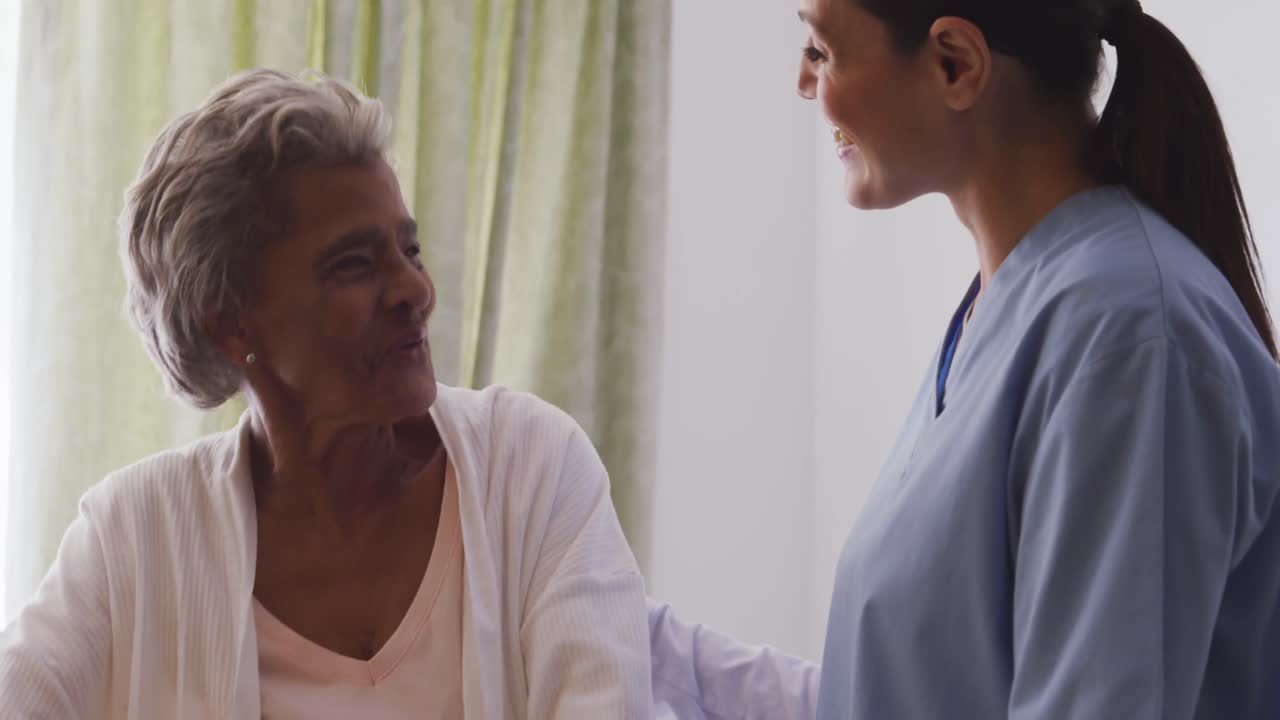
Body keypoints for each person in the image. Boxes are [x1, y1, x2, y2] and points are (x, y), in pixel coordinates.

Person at [650, 0, 1280, 718]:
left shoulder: (1128, 338)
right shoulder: (1017, 310)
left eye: (821, 50)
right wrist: (639, 642)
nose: (802, 81)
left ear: (956, 62)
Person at [0, 69, 652, 719]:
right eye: (355, 264)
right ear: (231, 323)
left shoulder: (529, 468)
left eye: (410, 249)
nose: (415, 292)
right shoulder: (134, 537)